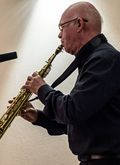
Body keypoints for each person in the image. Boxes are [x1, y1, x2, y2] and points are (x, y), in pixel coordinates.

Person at [16, 1, 120, 165]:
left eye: (61, 28)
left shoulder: (104, 59)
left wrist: (42, 89)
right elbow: (78, 123)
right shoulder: (95, 60)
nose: (59, 35)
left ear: (79, 23)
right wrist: (38, 117)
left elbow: (72, 111)